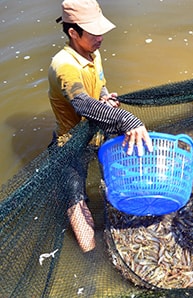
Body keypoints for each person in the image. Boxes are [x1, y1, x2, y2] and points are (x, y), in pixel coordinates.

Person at [48, 0, 153, 253]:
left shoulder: (93, 53)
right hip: (71, 145)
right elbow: (82, 103)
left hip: (97, 134)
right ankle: (91, 260)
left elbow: (100, 86)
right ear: (73, 33)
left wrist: (105, 98)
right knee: (86, 242)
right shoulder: (64, 65)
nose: (101, 37)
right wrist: (128, 120)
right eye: (94, 32)